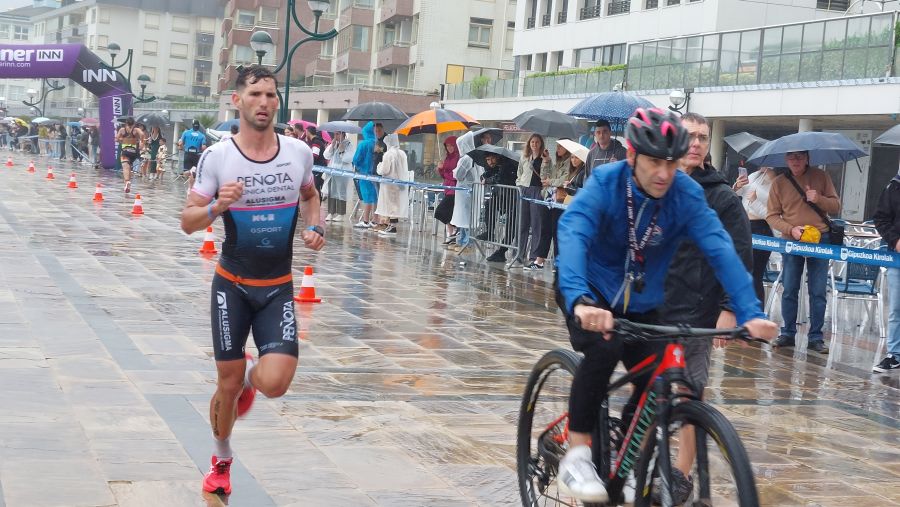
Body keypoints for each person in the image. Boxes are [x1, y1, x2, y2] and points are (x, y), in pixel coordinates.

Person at [554, 107, 777, 502]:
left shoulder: (686, 193)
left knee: (654, 378)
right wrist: (580, 300)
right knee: (604, 349)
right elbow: (573, 232)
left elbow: (721, 248)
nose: (663, 173)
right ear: (632, 157)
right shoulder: (607, 182)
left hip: (645, 298)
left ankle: (625, 456)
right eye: (654, 162)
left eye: (671, 163)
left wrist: (749, 311)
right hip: (591, 288)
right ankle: (577, 453)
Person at [179, 65, 324, 497]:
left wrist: (315, 227)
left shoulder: (298, 152)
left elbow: (311, 195)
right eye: (256, 94)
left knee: (275, 384)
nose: (265, 102)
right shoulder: (218, 157)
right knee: (225, 383)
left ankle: (248, 381)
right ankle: (221, 459)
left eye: (272, 95)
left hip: (277, 286)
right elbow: (188, 221)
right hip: (232, 286)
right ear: (237, 101)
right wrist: (216, 208)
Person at [656, 112, 753, 504]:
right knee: (646, 390)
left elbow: (740, 253)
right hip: (652, 308)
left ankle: (680, 474)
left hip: (697, 311)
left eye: (702, 137)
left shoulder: (721, 196)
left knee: (689, 393)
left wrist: (731, 308)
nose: (696, 143)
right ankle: (634, 461)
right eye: (689, 136)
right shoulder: (655, 183)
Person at [766, 150, 841, 354]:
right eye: (791, 157)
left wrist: (818, 199)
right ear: (786, 160)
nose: (795, 161)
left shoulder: (821, 176)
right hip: (792, 241)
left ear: (808, 158)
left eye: (800, 156)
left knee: (818, 291)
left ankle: (816, 337)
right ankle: (788, 333)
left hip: (821, 239)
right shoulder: (779, 183)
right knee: (789, 288)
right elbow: (771, 216)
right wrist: (791, 230)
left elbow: (836, 205)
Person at [734, 165, 778, 303]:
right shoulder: (754, 175)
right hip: (744, 225)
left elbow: (772, 216)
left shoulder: (777, 183)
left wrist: (755, 201)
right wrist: (736, 186)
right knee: (741, 272)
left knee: (755, 274)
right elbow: (740, 194)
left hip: (761, 227)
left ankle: (756, 312)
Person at [871, 171, 900, 372]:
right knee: (896, 307)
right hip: (897, 255)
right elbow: (881, 218)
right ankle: (894, 354)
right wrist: (895, 241)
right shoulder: (893, 186)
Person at [515, 133, 551, 269]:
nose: (534, 144)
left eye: (537, 142)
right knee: (522, 223)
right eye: (532, 142)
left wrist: (546, 161)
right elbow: (519, 172)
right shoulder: (524, 157)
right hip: (524, 189)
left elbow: (547, 175)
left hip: (537, 190)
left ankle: (534, 256)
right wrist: (519, 184)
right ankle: (519, 253)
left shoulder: (545, 158)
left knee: (536, 224)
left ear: (541, 144)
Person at [480, 151, 520, 263]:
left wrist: (487, 180)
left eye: (492, 159)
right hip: (502, 198)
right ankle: (490, 233)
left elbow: (499, 178)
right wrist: (484, 176)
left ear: (497, 157)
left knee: (511, 225)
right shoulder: (497, 166)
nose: (490, 162)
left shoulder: (506, 165)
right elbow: (488, 174)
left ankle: (502, 251)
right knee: (489, 204)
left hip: (514, 199)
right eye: (488, 160)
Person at [449, 131, 481, 253]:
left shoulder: (466, 158)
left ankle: (467, 242)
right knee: (463, 218)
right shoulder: (474, 156)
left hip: (465, 193)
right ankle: (462, 240)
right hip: (467, 192)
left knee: (465, 218)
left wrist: (454, 171)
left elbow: (458, 174)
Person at [375, 133, 412, 236]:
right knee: (396, 205)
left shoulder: (388, 154)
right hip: (400, 183)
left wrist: (379, 166)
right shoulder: (402, 153)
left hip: (389, 184)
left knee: (391, 205)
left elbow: (384, 170)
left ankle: (392, 227)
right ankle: (392, 226)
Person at [352, 121, 379, 228]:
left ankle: (366, 220)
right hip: (376, 175)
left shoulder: (363, 144)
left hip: (364, 174)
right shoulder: (378, 144)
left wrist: (358, 166)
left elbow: (356, 159)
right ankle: (375, 220)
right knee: (375, 197)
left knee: (367, 197)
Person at [323, 130, 353, 222]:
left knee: (341, 192)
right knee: (331, 191)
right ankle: (330, 213)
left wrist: (342, 151)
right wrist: (331, 146)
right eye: (335, 134)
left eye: (337, 134)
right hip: (332, 171)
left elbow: (348, 159)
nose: (335, 135)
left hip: (342, 172)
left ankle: (341, 213)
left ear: (343, 134)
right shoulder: (334, 143)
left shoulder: (348, 144)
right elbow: (326, 156)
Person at [435, 136, 460, 244]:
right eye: (447, 146)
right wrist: (440, 169)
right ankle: (451, 236)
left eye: (451, 145)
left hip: (454, 190)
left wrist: (444, 172)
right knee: (448, 213)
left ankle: (456, 229)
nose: (449, 148)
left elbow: (456, 176)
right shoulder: (447, 157)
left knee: (440, 212)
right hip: (447, 189)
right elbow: (444, 175)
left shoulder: (458, 157)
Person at [116, 117, 145, 193]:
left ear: (126, 123)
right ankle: (127, 186)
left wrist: (122, 140)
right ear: (134, 123)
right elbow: (142, 134)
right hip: (134, 151)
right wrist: (142, 142)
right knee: (129, 168)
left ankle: (127, 181)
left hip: (125, 151)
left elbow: (116, 138)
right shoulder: (136, 130)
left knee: (125, 167)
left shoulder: (122, 130)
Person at [179, 119, 207, 186]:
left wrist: (183, 148)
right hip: (196, 155)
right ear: (199, 126)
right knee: (195, 171)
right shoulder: (202, 136)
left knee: (186, 171)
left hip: (187, 154)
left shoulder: (186, 133)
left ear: (192, 125)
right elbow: (204, 147)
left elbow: (180, 143)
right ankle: (191, 185)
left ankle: (187, 179)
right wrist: (201, 151)